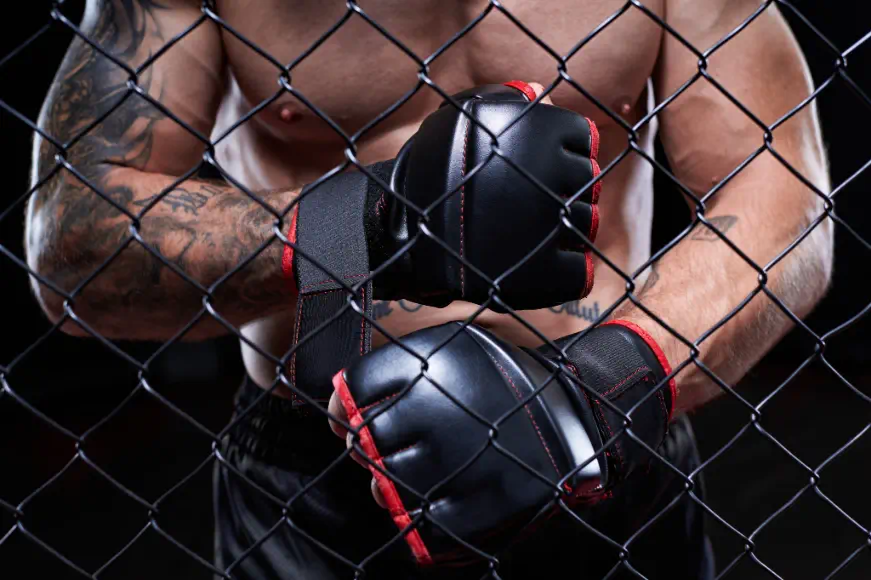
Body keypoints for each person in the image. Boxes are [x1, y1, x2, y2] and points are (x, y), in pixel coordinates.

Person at [25, 1, 832, 578]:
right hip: (320, 476)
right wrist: (382, 221)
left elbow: (781, 195)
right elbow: (71, 244)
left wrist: (605, 387)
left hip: (601, 444)